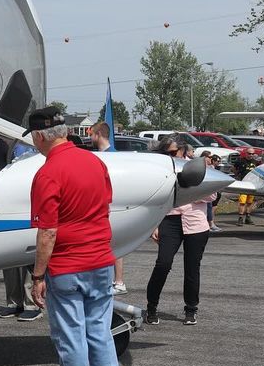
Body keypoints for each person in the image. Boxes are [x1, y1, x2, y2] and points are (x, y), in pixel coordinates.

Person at [26, 107, 123, 366]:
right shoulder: (95, 162)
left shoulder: (47, 173)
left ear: (40, 137)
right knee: (100, 333)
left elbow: (48, 231)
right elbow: (105, 206)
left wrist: (37, 275)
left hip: (67, 266)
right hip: (100, 261)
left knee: (71, 338)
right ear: (65, 132)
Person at [145, 140, 214, 326]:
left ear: (182, 150)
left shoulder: (198, 167)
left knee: (192, 268)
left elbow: (212, 195)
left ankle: (191, 309)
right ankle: (151, 307)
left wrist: (187, 189)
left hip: (195, 223)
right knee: (163, 264)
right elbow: (155, 197)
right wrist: (154, 225)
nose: (169, 156)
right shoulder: (162, 168)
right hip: (169, 220)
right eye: (166, 152)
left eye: (172, 152)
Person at [89, 122, 128, 294]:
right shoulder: (100, 155)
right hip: (101, 207)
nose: (90, 138)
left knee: (114, 245)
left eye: (91, 134)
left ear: (98, 135)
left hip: (111, 207)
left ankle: (118, 281)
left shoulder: (112, 157)